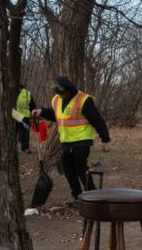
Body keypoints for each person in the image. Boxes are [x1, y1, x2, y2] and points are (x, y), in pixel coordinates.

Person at [32, 76, 111, 205]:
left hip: (82, 139)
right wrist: (41, 111)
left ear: (69, 89)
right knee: (68, 169)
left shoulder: (83, 100)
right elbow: (55, 114)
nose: (62, 96)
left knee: (80, 167)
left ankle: (92, 195)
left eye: (64, 93)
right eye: (60, 94)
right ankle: (77, 197)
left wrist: (105, 139)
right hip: (66, 140)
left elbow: (97, 120)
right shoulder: (57, 99)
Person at [14, 84, 36, 153]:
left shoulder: (27, 93)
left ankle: (25, 147)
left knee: (25, 132)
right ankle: (13, 147)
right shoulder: (11, 92)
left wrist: (34, 115)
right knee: (13, 131)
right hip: (15, 114)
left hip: (24, 116)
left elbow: (32, 105)